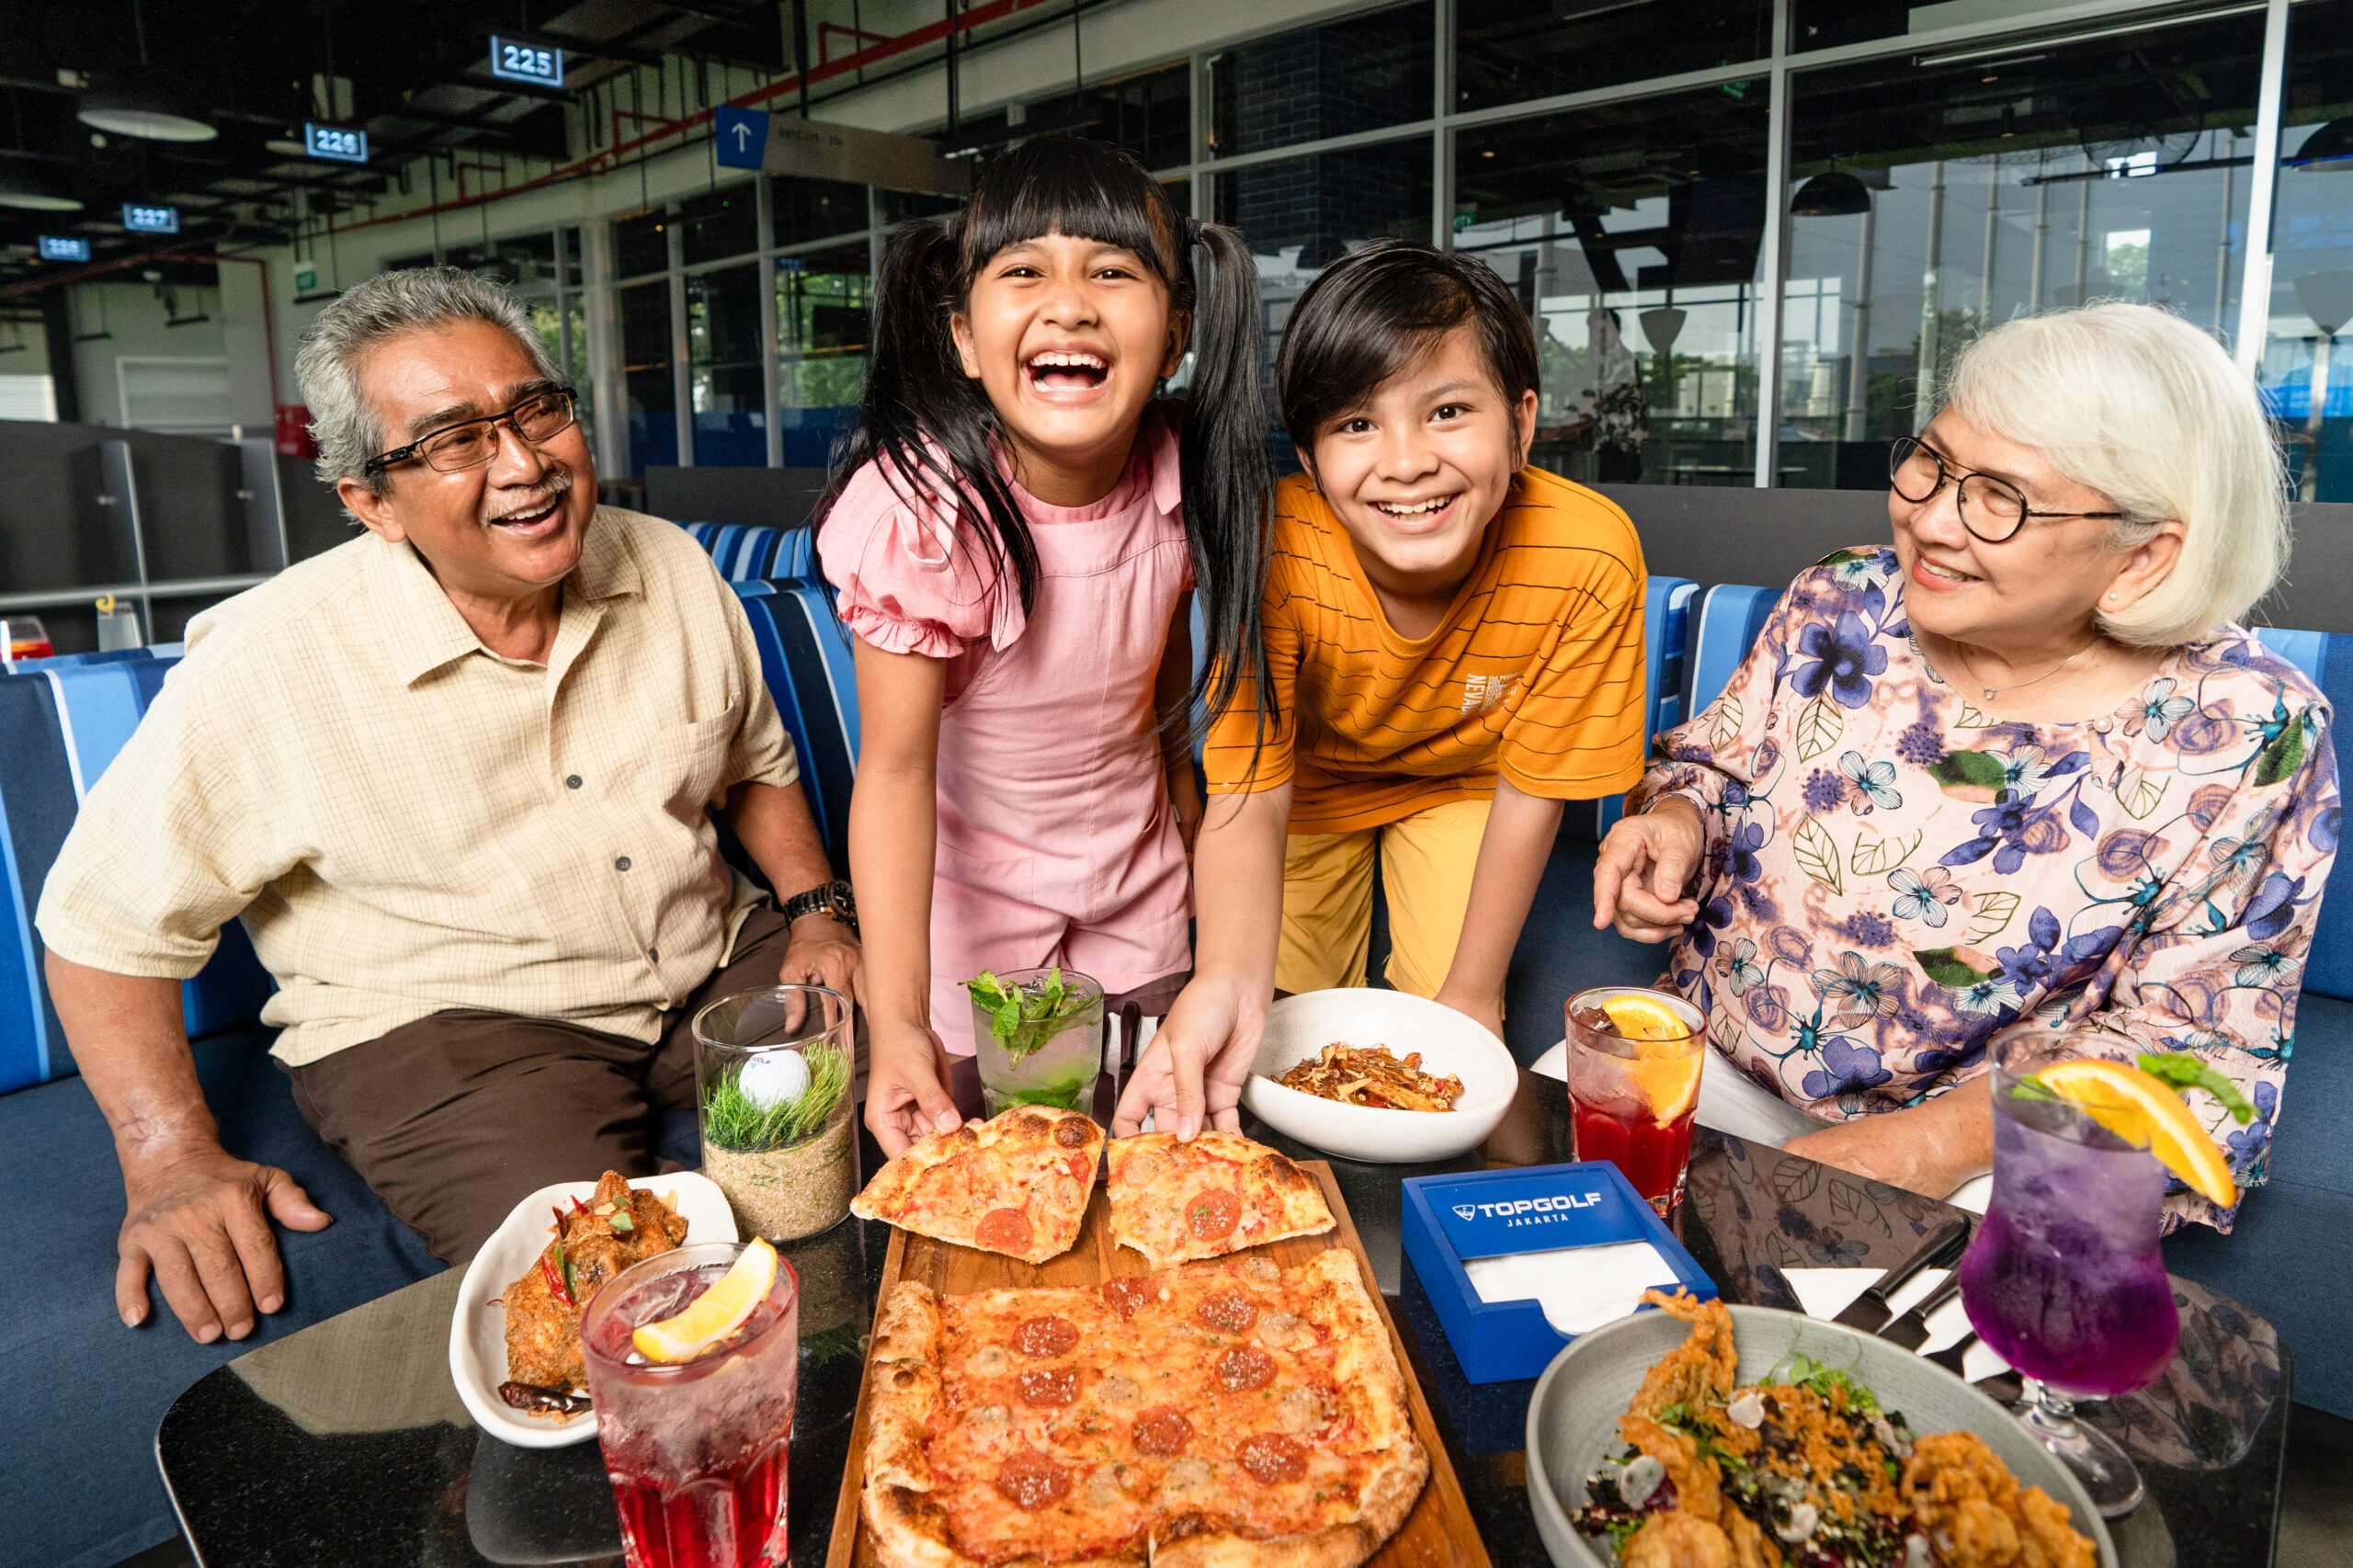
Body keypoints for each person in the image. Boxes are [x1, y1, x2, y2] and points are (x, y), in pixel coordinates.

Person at [37, 267, 861, 1343]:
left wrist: (817, 911)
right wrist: (168, 1155)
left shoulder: (666, 563)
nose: (525, 463)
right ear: (368, 500)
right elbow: (104, 926)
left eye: (536, 410)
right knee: (616, 1308)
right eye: (453, 440)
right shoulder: (269, 659)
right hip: (459, 1031)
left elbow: (753, 762)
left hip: (710, 958)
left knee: (923, 1107)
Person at [1592, 301, 2337, 1232]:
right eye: (1933, 464)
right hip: (1696, 1062)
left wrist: (1924, 1147)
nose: (1931, 521)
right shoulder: (1843, 599)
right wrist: (1676, 822)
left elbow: (2197, 1051)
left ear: (2145, 555)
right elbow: (1714, 765)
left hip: (1980, 1149)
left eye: (2000, 497)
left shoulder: (2246, 729)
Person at [1117, 241, 1650, 1140]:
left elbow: (1534, 788)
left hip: (1464, 784)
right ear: (1310, 454)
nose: (1404, 462)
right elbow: (1247, 785)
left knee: (1443, 1027)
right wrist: (1222, 981)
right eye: (1356, 425)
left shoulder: (1589, 551)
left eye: (1446, 410)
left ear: (1521, 425)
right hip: (1309, 786)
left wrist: (1472, 995)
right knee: (1280, 1018)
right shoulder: (1272, 540)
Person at [816, 137, 1274, 1156]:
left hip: (1139, 881)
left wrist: (1184, 807)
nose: (1069, 303)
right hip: (973, 906)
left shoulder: (1184, 469)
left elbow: (1154, 650)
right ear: (965, 339)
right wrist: (893, 1027)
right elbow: (891, 774)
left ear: (1179, 331)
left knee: (1145, 1138)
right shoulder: (924, 511)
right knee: (1000, 1161)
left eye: (1112, 271)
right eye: (1023, 270)